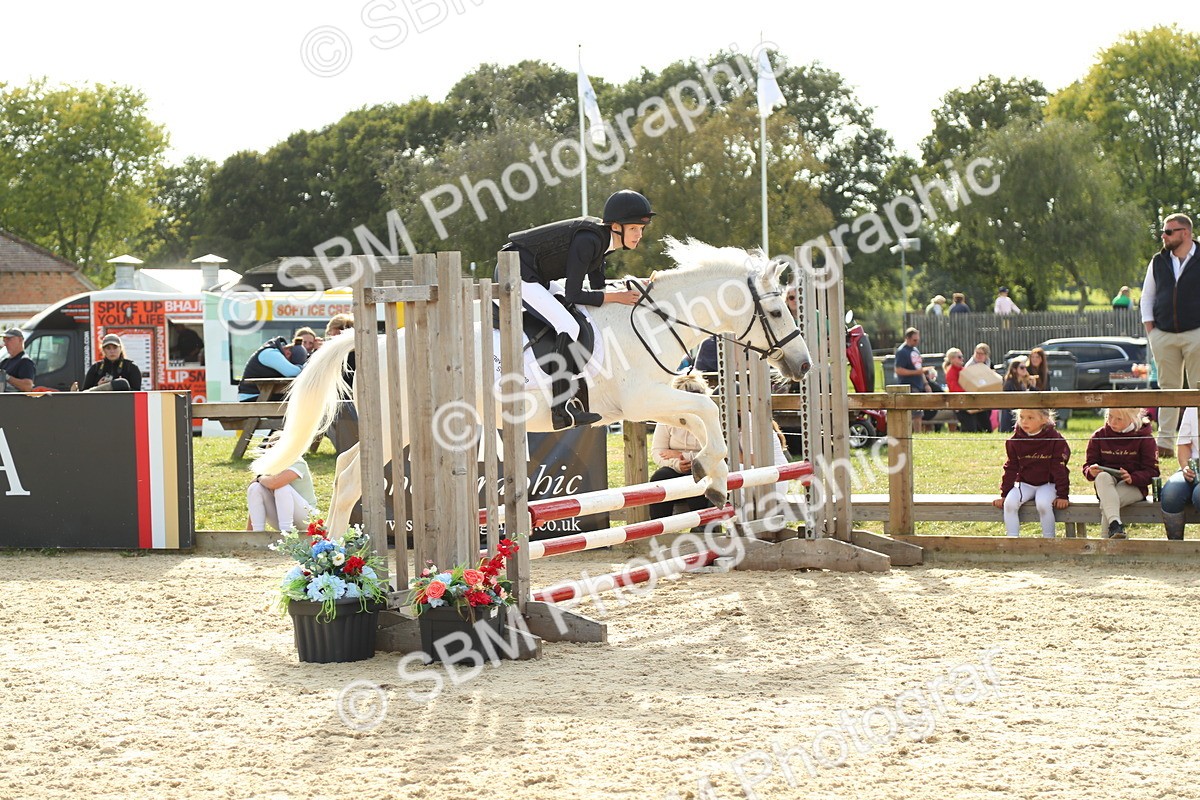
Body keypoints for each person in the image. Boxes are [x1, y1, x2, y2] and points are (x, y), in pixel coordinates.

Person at [500, 189, 649, 429]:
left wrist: (631, 285)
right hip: (515, 271)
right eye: (633, 228)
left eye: (641, 229)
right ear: (615, 227)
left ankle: (577, 395)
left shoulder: (604, 243)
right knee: (567, 324)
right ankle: (560, 409)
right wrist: (618, 297)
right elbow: (574, 294)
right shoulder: (589, 241)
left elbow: (599, 287)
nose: (639, 235)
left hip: (535, 276)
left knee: (576, 314)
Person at [1140, 213, 1200, 457]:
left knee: (1198, 389)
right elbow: (1147, 296)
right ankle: (1164, 443)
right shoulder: (1158, 261)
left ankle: (1197, 442)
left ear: (1185, 233)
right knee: (1167, 389)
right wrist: (1151, 332)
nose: (1163, 236)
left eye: (1168, 231)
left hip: (1196, 333)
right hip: (1163, 334)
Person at [992, 408, 1070, 538]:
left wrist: (1063, 495)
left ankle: (1049, 541)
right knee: (1009, 504)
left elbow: (1059, 468)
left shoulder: (1056, 439)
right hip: (1025, 484)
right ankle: (1012, 541)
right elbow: (1011, 467)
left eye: (1030, 418)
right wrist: (1004, 494)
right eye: (1021, 417)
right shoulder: (1014, 440)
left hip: (1048, 484)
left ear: (1044, 419)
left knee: (1043, 504)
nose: (1024, 421)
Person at [648, 374, 717, 520]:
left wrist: (682, 455)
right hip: (674, 468)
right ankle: (658, 525)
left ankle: (701, 526)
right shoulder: (667, 418)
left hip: (703, 469)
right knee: (659, 478)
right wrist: (676, 463)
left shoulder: (710, 418)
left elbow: (714, 450)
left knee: (696, 479)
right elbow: (657, 451)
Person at [1083, 407, 1158, 539]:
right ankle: (1116, 525)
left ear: (1132, 419)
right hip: (1106, 485)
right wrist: (1091, 471)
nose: (1112, 422)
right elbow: (1088, 465)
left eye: (1119, 419)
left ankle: (1107, 543)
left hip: (1133, 486)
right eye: (1110, 416)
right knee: (1102, 477)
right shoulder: (1099, 435)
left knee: (1108, 504)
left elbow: (1152, 471)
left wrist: (1132, 477)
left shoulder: (1145, 438)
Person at [246, 443, 318, 532]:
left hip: (306, 518)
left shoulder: (298, 462)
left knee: (282, 488)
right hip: (279, 518)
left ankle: (286, 534)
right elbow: (255, 502)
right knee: (255, 487)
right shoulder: (270, 465)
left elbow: (275, 483)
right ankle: (256, 533)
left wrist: (259, 478)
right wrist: (248, 533)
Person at [1159, 406, 1200, 540]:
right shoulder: (1192, 407)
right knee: (1171, 493)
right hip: (1193, 467)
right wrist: (1185, 467)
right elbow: (1184, 445)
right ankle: (1175, 547)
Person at [237, 336, 307, 401]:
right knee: (299, 399)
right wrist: (304, 368)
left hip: (258, 394)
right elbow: (292, 372)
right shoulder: (271, 353)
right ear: (288, 353)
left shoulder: (272, 350)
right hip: (251, 396)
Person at [893, 327, 929, 430]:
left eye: (918, 340)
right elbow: (898, 370)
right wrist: (917, 372)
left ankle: (918, 433)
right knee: (916, 414)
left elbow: (919, 368)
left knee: (919, 413)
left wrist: (926, 384)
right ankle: (916, 433)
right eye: (914, 340)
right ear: (907, 338)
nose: (917, 342)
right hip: (909, 385)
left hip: (918, 385)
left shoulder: (915, 350)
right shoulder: (902, 352)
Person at [943, 347, 979, 433]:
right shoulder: (951, 372)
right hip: (960, 403)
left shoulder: (962, 370)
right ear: (952, 359)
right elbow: (955, 389)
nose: (962, 359)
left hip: (968, 401)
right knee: (969, 427)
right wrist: (969, 393)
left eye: (962, 356)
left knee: (974, 425)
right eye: (959, 357)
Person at [998, 357, 1031, 433]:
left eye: (1025, 367)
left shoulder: (1021, 383)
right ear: (1014, 369)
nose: (1024, 369)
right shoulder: (1009, 383)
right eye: (1022, 368)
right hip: (1009, 417)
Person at [0, 328, 36, 392]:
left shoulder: (25, 361)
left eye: (9, 339)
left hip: (14, 398)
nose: (5, 344)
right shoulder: (5, 361)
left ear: (20, 340)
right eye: (4, 340)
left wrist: (6, 377)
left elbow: (27, 387)